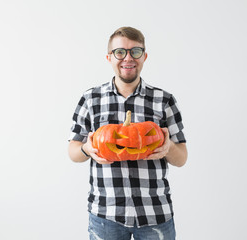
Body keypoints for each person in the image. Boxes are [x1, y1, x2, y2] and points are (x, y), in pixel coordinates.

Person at [68, 26, 188, 240]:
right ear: (109, 57)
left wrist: (168, 148)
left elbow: (181, 158)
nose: (128, 58)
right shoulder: (90, 99)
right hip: (106, 214)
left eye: (136, 51)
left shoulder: (164, 100)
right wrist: (87, 148)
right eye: (120, 52)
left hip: (155, 213)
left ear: (144, 56)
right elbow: (73, 151)